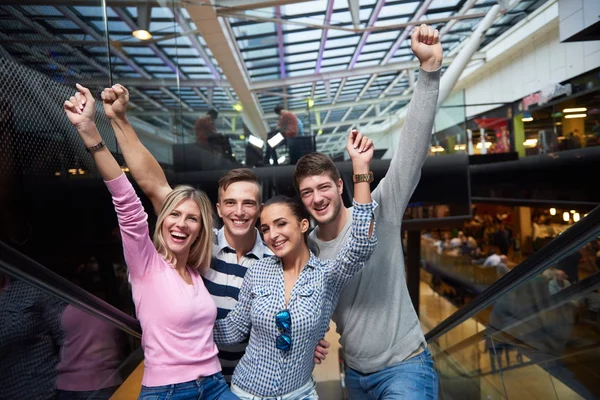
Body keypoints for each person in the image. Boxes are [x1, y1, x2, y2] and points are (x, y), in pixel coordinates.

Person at [89, 83, 329, 381]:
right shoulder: (200, 245)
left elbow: (297, 309)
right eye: (230, 203)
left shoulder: (275, 257)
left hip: (257, 380)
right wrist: (120, 121)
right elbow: (155, 185)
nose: (238, 212)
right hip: (203, 377)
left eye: (248, 204)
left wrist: (308, 341)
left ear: (259, 208)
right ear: (218, 208)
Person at [293, 24, 441, 399]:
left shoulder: (381, 206)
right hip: (355, 376)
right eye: (307, 192)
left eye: (324, 186)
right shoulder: (307, 247)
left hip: (405, 368)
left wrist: (429, 72)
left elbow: (412, 146)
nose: (318, 197)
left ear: (340, 186)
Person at [63, 84, 237, 400]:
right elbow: (130, 199)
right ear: (163, 218)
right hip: (170, 392)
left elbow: (159, 185)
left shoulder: (196, 273)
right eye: (175, 214)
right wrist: (90, 131)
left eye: (192, 219)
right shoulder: (147, 264)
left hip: (213, 385)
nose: (181, 223)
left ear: (201, 230)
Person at [213, 130, 378, 399]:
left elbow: (362, 244)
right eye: (265, 228)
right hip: (245, 392)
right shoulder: (258, 270)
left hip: (299, 393)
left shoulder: (327, 275)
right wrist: (182, 329)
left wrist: (360, 168)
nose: (273, 235)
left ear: (303, 225)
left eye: (281, 224)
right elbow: (232, 330)